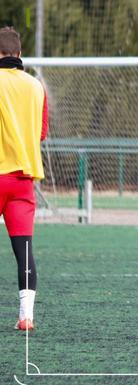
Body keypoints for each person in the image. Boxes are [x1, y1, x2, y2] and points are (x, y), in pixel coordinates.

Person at [0, 26, 48, 331]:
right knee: (24, 250)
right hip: (22, 181)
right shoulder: (36, 87)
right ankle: (26, 316)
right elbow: (41, 134)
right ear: (19, 54)